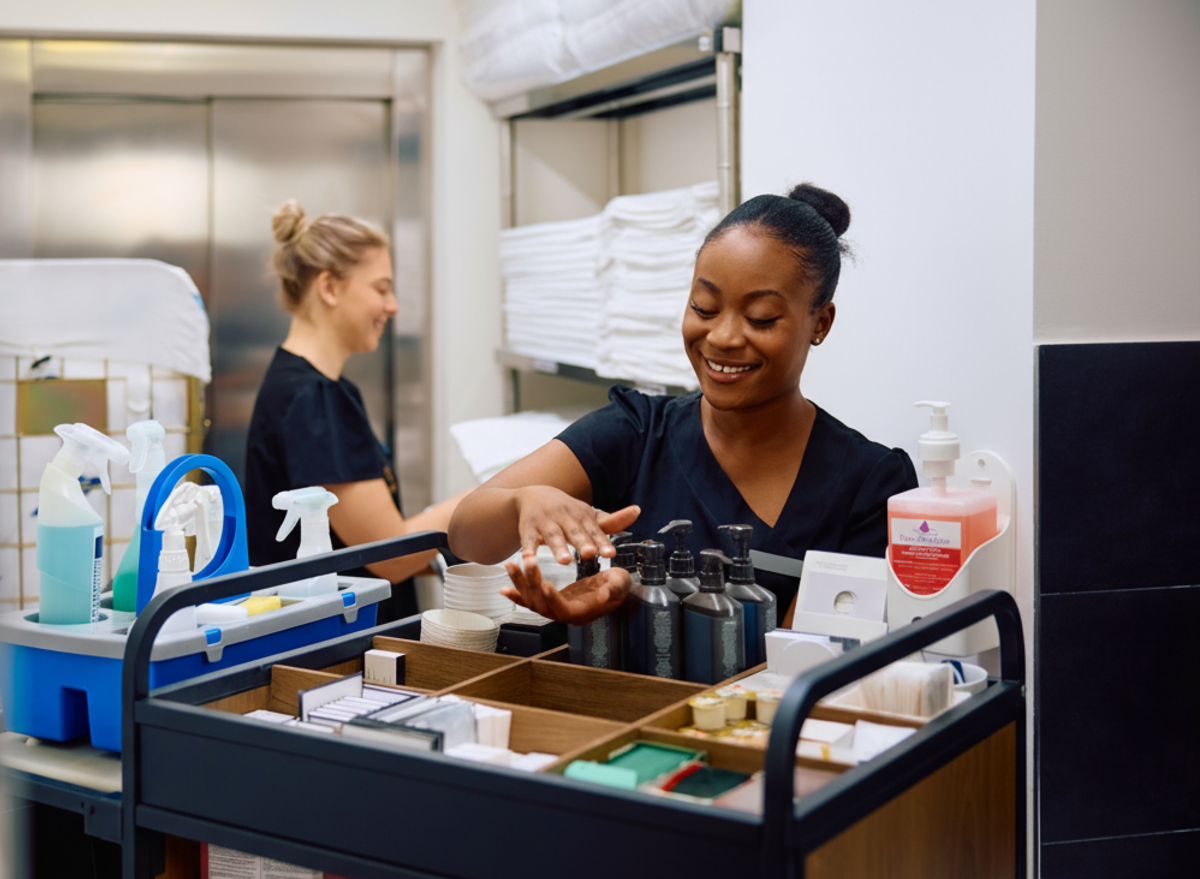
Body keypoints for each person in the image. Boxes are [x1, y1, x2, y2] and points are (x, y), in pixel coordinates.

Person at [448, 183, 917, 626]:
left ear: (821, 322)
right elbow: (467, 536)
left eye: (760, 318)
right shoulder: (637, 432)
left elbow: (803, 662)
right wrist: (524, 503)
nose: (723, 337)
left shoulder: (868, 484)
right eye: (704, 308)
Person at [246, 201, 462, 622]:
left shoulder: (309, 388)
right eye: (381, 289)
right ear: (329, 288)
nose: (394, 306)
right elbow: (390, 556)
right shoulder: (314, 400)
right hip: (338, 647)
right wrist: (489, 499)